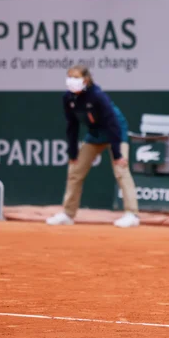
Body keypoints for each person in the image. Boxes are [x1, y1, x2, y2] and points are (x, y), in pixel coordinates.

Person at [46, 65, 141, 228]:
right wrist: (73, 153)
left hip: (115, 131)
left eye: (76, 78)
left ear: (86, 80)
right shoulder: (68, 98)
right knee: (75, 171)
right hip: (95, 134)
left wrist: (118, 154)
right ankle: (68, 214)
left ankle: (132, 215)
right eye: (69, 77)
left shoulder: (98, 96)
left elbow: (112, 124)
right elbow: (72, 126)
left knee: (121, 170)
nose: (71, 81)